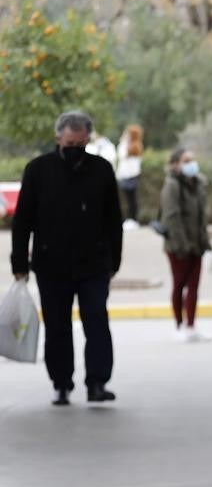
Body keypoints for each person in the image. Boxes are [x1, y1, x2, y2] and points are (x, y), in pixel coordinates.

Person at [11, 110, 123, 406]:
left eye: (81, 144)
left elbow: (114, 218)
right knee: (57, 327)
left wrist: (114, 261)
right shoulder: (38, 170)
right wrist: (19, 264)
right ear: (57, 139)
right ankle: (61, 384)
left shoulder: (101, 170)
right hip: (51, 264)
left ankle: (97, 382)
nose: (75, 150)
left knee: (96, 322)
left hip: (94, 264)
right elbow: (22, 221)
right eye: (70, 144)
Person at [162, 148, 212, 343]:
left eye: (192, 160)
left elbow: (201, 218)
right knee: (179, 285)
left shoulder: (198, 184)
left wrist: (205, 243)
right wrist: (182, 245)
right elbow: (172, 217)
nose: (191, 164)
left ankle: (191, 326)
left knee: (193, 286)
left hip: (196, 244)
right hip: (178, 246)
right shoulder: (172, 185)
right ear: (175, 164)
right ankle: (179, 325)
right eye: (186, 160)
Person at [116, 125, 144, 230]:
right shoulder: (130, 145)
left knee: (131, 199)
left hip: (131, 176)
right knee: (129, 199)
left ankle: (133, 219)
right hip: (127, 175)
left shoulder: (134, 146)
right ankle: (130, 219)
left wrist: (123, 142)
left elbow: (121, 155)